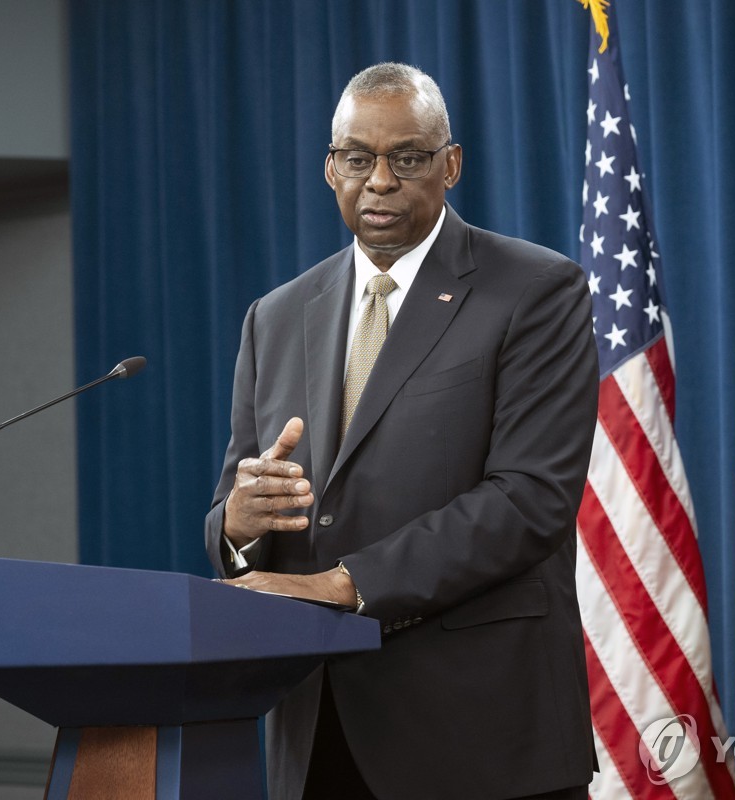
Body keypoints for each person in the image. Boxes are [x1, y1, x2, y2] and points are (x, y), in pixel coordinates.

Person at [206, 62, 598, 800]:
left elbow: (529, 500)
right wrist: (237, 525)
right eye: (358, 158)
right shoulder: (277, 316)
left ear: (450, 164)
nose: (379, 180)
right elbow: (238, 503)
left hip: (480, 739)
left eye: (407, 158)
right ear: (331, 170)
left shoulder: (536, 290)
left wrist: (342, 584)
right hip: (319, 733)